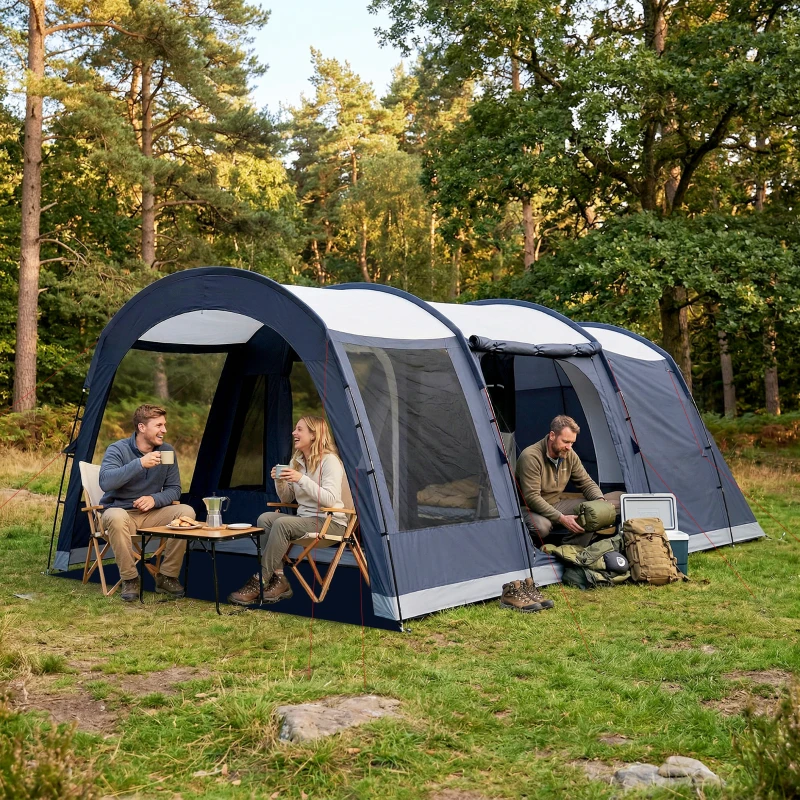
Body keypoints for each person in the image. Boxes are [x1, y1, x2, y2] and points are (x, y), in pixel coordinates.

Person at [228, 416, 347, 606]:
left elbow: (330, 500)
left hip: (331, 523)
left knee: (283, 523)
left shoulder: (330, 461)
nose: (294, 433)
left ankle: (260, 579)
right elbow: (286, 499)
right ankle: (280, 579)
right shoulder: (297, 461)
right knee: (266, 518)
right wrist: (280, 480)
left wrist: (301, 479)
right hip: (305, 520)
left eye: (299, 430)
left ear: (314, 435)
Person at [99, 404, 195, 602]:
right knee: (116, 517)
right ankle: (130, 578)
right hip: (121, 513)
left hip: (153, 514)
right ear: (142, 427)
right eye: (159, 425)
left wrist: (154, 499)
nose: (164, 430)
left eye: (164, 425)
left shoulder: (166, 451)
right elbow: (106, 482)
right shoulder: (118, 449)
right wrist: (140, 464)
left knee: (186, 511)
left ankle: (167, 576)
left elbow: (174, 489)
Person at [516, 415, 622, 549]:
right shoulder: (531, 457)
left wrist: (599, 501)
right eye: (566, 441)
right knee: (542, 527)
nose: (569, 447)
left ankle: (569, 550)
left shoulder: (569, 454)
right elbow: (532, 498)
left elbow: (586, 482)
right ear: (552, 436)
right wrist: (561, 518)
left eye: (572, 443)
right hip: (530, 509)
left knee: (593, 511)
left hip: (556, 503)